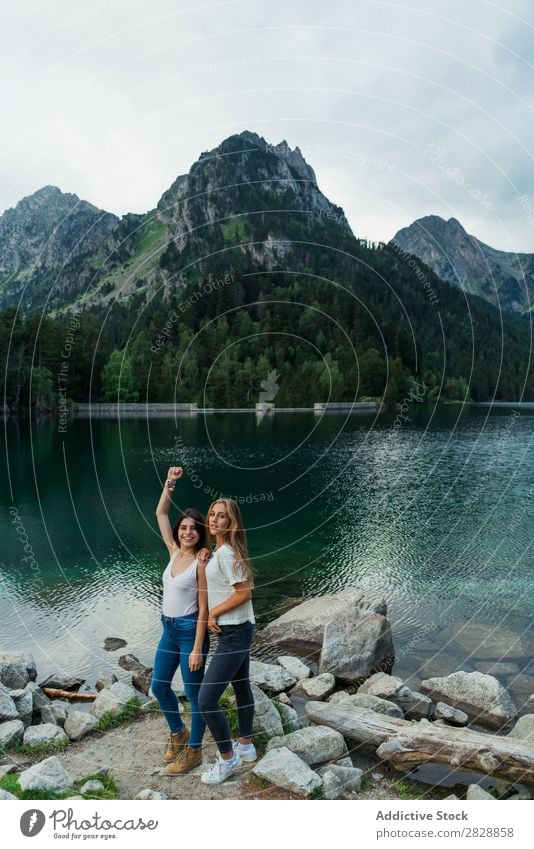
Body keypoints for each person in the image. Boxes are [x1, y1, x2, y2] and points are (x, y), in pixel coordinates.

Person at [151, 466, 209, 775]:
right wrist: (170, 484)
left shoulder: (202, 562)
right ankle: (178, 733)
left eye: (193, 529)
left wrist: (198, 648)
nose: (187, 532)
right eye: (183, 527)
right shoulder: (173, 552)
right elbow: (161, 514)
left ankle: (195, 751)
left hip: (190, 632)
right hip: (168, 629)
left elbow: (203, 609)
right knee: (159, 686)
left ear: (200, 534)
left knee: (195, 696)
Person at [197, 498, 256, 785]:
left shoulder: (227, 553)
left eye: (222, 516)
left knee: (206, 700)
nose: (214, 519)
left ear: (231, 523)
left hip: (234, 633)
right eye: (212, 514)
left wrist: (212, 614)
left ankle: (227, 758)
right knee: (241, 686)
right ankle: (245, 745)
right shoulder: (221, 551)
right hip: (241, 629)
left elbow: (244, 592)